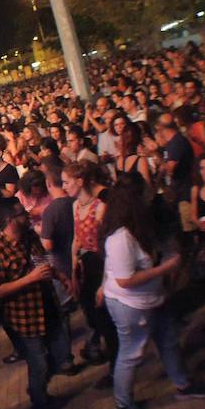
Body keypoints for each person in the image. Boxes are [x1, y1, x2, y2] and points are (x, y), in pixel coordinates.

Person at [100, 179, 205, 409]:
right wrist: (165, 268)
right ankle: (123, 403)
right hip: (131, 305)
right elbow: (125, 280)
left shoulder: (139, 226)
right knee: (131, 354)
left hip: (153, 298)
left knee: (168, 340)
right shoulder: (120, 238)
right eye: (145, 195)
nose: (150, 198)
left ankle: (183, 384)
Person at [0, 207, 71, 409]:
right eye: (23, 214)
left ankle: (37, 387)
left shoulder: (30, 236)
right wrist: (30, 279)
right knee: (38, 363)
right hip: (25, 316)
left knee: (61, 353)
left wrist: (61, 276)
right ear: (11, 221)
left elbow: (42, 261)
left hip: (48, 306)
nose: (29, 216)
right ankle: (40, 407)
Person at [63, 161, 117, 383]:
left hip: (101, 265)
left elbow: (108, 248)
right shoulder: (76, 206)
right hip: (85, 266)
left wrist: (105, 282)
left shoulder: (100, 207)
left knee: (105, 319)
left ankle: (116, 369)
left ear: (80, 181)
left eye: (67, 182)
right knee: (92, 316)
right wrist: (73, 267)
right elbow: (77, 240)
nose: (64, 186)